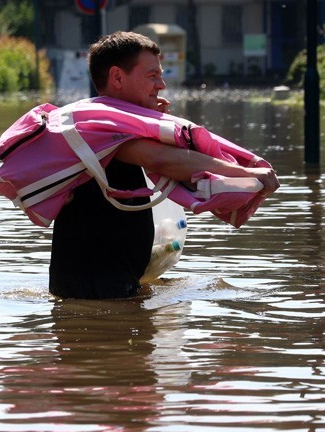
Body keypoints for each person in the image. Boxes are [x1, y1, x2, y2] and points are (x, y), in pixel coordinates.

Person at [49, 31, 280, 300]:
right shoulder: (99, 127)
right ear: (118, 77)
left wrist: (156, 125)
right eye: (152, 75)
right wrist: (246, 172)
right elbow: (162, 161)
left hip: (108, 285)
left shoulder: (116, 123)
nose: (161, 85)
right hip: (95, 289)